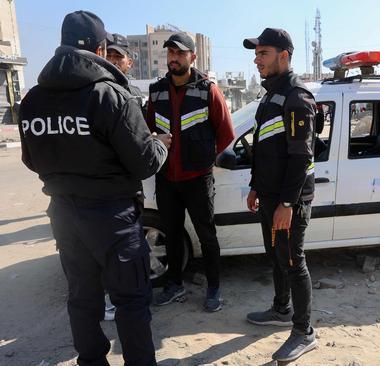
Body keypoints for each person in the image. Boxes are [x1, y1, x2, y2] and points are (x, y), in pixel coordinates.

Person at [19, 10, 170, 366]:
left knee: (82, 298)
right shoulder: (110, 96)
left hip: (64, 213)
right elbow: (145, 162)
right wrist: (159, 143)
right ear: (101, 50)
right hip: (112, 217)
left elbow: (31, 160)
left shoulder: (33, 100)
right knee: (131, 300)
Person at [243, 28, 317, 362]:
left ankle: (304, 332)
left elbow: (301, 157)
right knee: (276, 255)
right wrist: (257, 185)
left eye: (263, 53)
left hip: (291, 198)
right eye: (256, 53)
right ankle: (280, 308)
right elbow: (264, 146)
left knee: (292, 260)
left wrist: (288, 203)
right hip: (271, 194)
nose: (257, 60)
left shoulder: (296, 97)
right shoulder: (271, 95)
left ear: (283, 56)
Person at [147, 32, 235, 312]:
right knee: (171, 234)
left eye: (180, 53)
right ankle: (174, 285)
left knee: (206, 234)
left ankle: (214, 288)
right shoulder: (157, 90)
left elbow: (225, 134)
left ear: (192, 57)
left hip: (197, 179)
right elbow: (147, 131)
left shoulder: (208, 90)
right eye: (170, 53)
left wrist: (204, 158)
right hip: (166, 179)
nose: (173, 58)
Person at [104, 32, 145, 322]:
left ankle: (120, 299)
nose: (115, 61)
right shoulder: (98, 92)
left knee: (123, 251)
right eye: (110, 56)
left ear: (129, 62)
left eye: (119, 57)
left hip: (128, 183)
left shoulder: (132, 95)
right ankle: (109, 300)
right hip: (106, 185)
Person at [106, 33, 145, 108]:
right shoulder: (94, 91)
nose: (112, 61)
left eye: (118, 56)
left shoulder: (135, 94)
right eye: (108, 55)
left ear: (129, 63)